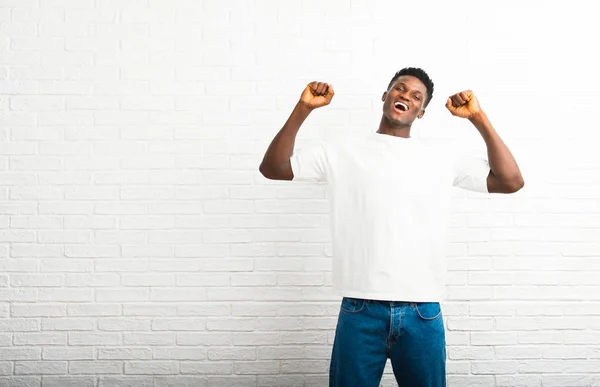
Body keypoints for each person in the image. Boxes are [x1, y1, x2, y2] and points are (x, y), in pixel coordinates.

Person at [259, 67, 524, 387]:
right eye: (400, 89)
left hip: (422, 311)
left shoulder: (442, 155)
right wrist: (304, 109)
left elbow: (510, 181)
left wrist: (477, 118)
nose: (406, 96)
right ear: (386, 96)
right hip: (360, 310)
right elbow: (273, 168)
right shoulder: (341, 150)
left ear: (422, 111)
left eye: (416, 96)